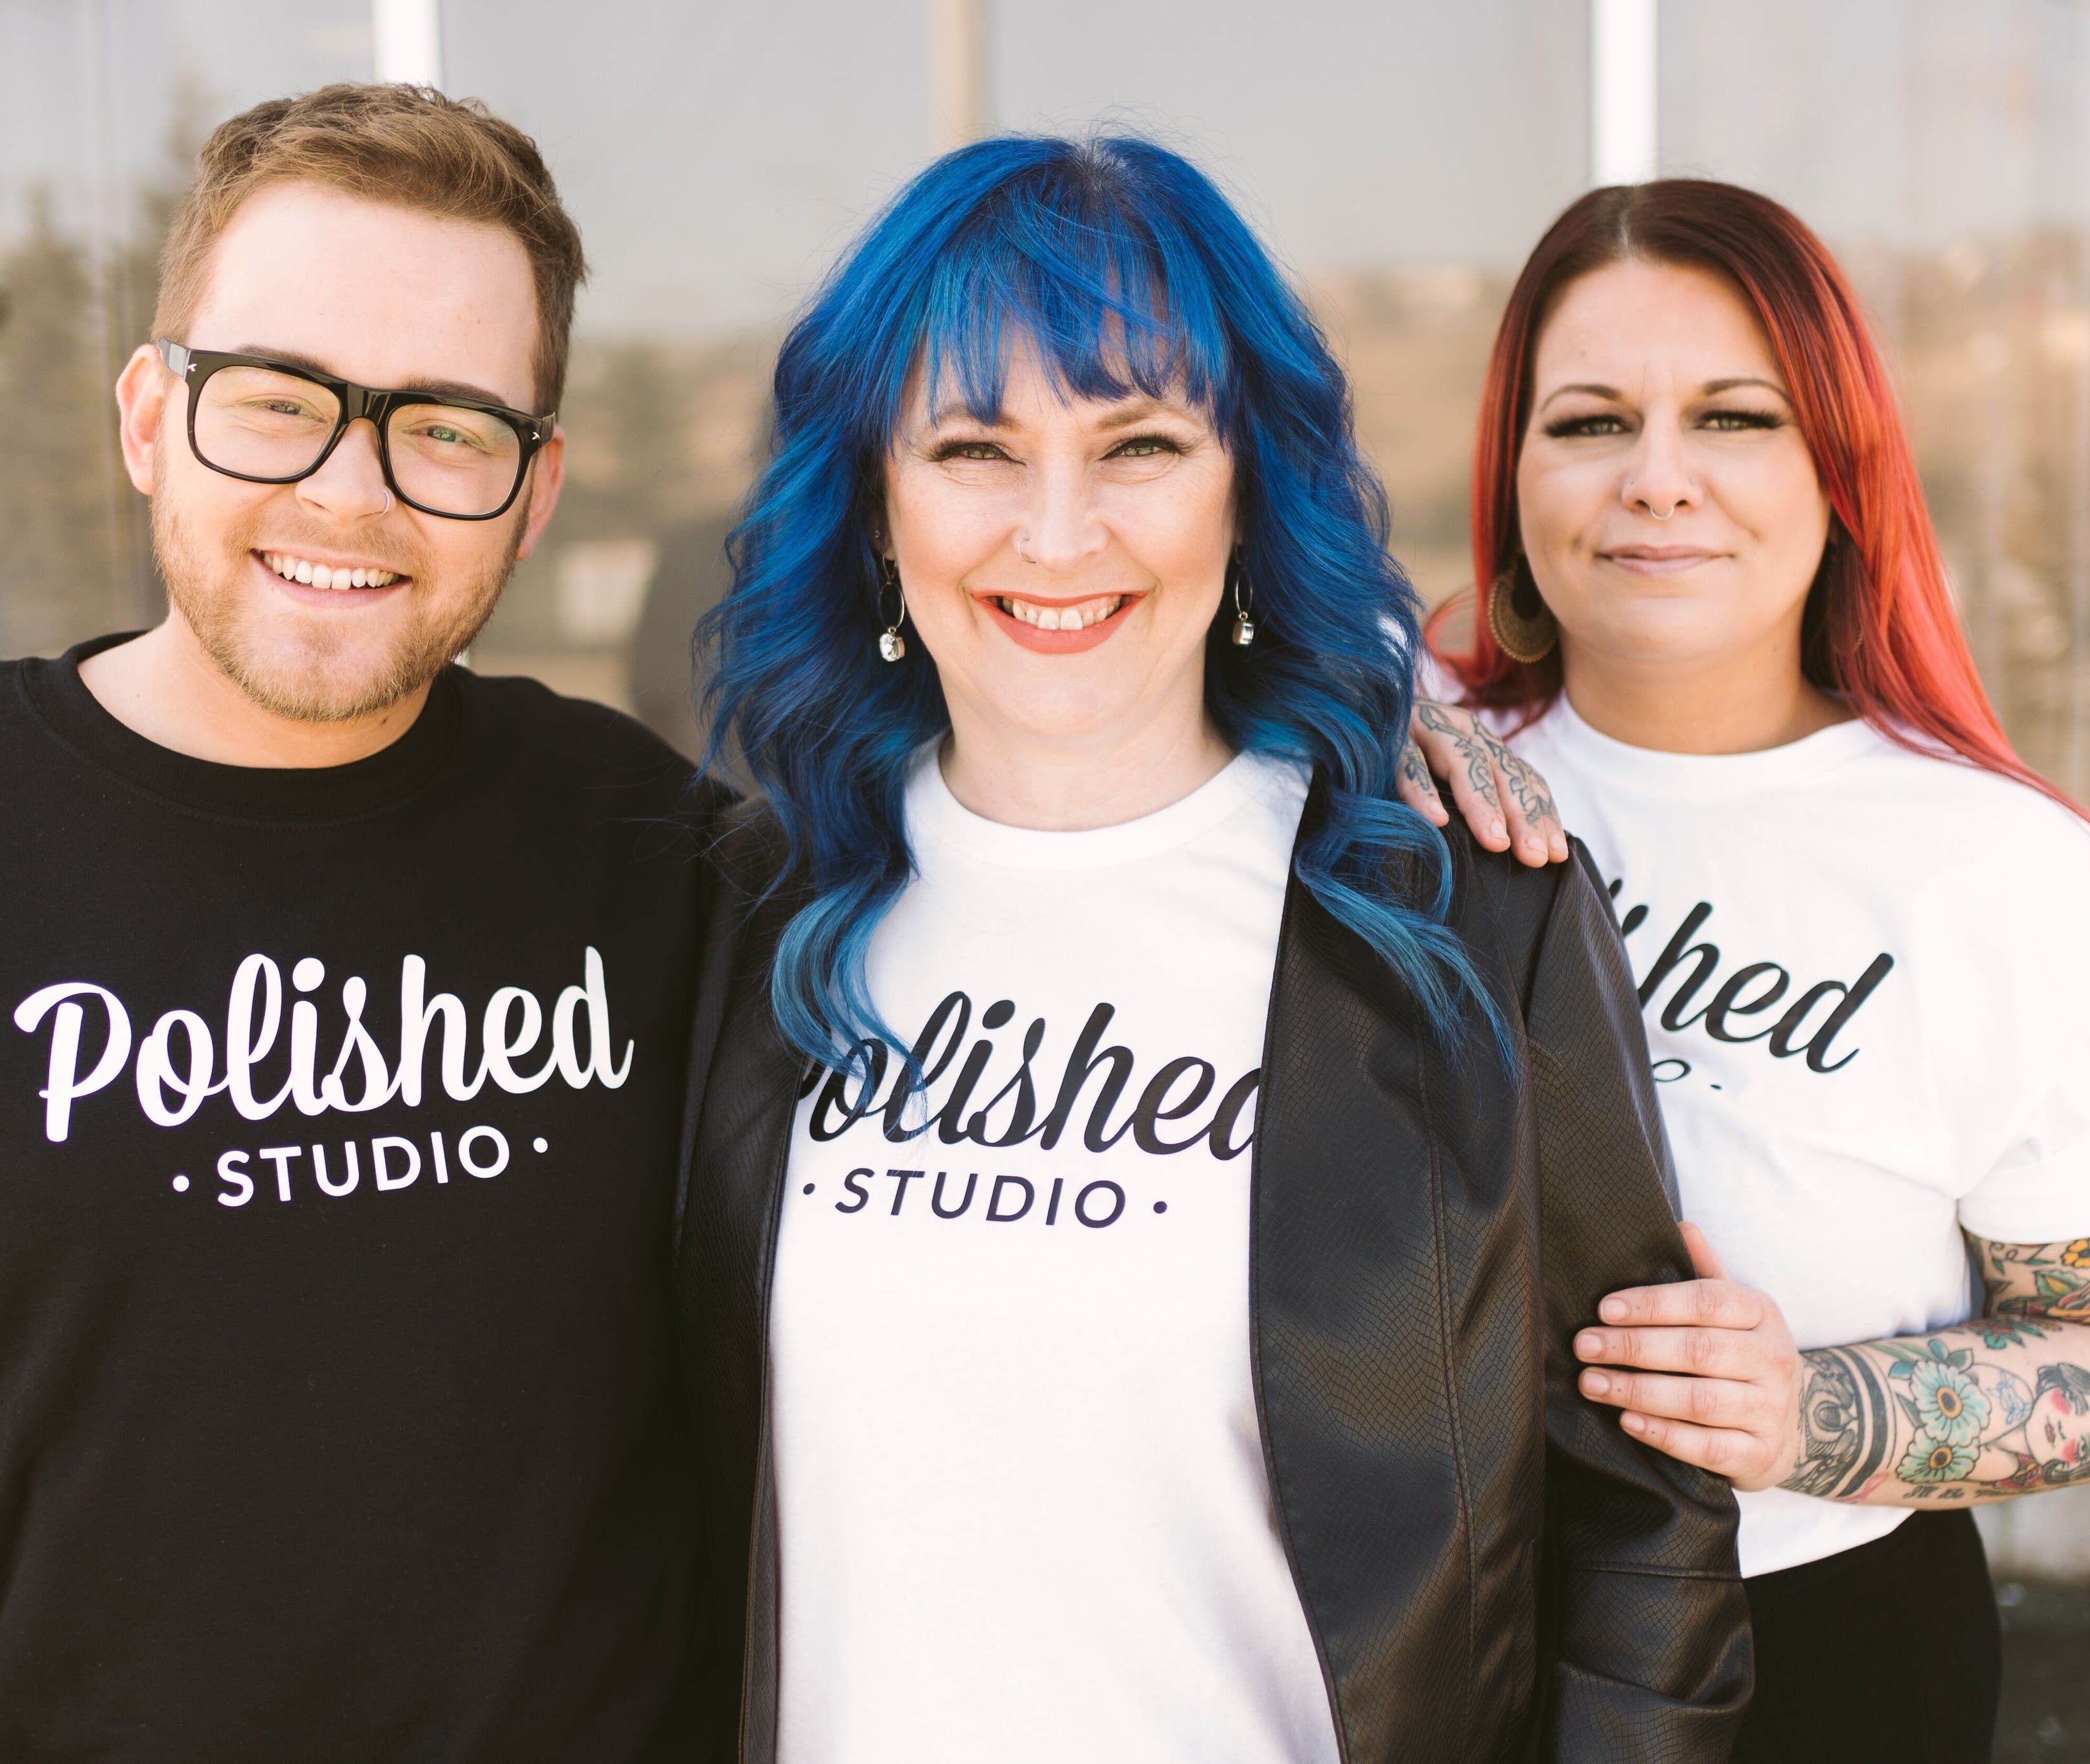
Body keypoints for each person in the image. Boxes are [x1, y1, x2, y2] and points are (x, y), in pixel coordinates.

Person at [677, 134, 1751, 1764]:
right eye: (974, 445)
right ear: (875, 504)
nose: (1057, 532)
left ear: (1246, 486)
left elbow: (1644, 1522)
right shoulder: (756, 918)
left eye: (1141, 443)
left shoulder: (1464, 926)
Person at [0, 86, 719, 1759]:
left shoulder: (656, 851)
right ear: (151, 416)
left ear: (535, 488)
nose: (350, 490)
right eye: (280, 399)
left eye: (447, 427)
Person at [1413, 179, 2090, 1764]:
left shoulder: (2002, 874)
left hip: (1814, 1645)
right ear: (1511, 477)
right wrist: (1386, 705)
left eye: (1734, 418)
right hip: (1392, 1625)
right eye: (1587, 424)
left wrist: (1814, 1411)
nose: (1657, 481)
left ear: (1840, 466)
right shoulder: (1398, 789)